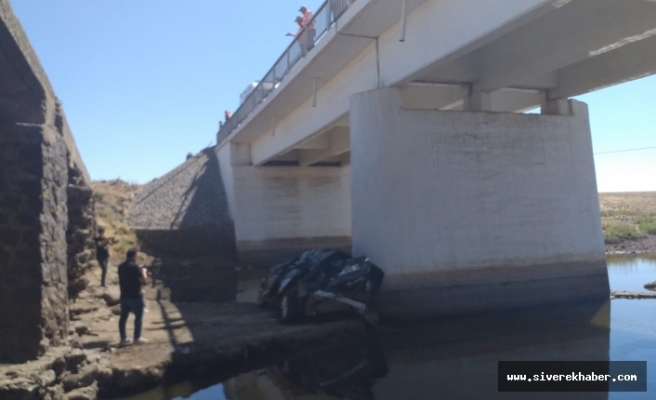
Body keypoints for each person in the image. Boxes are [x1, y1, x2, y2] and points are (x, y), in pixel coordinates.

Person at [118, 247, 148, 346]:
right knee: (138, 317)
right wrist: (143, 270)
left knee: (123, 318)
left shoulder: (121, 267)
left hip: (124, 296)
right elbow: (143, 279)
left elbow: (129, 273)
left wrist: (137, 268)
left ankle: (123, 338)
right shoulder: (135, 268)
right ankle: (137, 337)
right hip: (136, 296)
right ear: (134, 256)